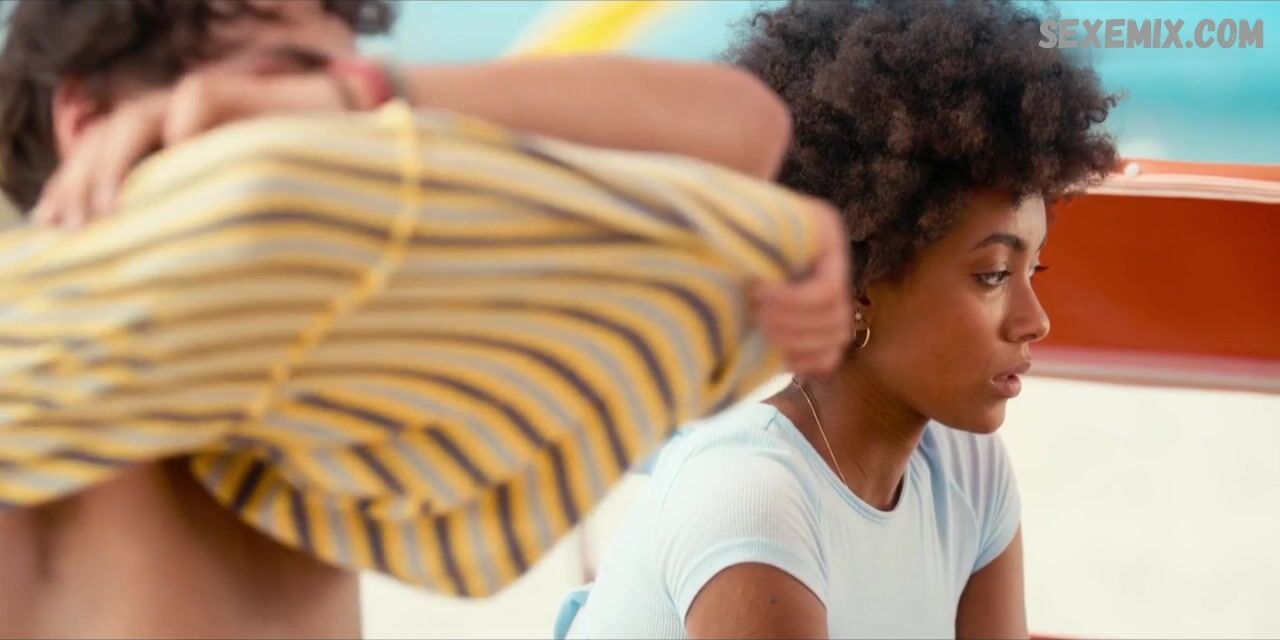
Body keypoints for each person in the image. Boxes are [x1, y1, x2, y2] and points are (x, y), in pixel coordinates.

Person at [0, 1, 857, 637]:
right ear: (87, 120)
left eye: (331, 108)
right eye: (270, 81)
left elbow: (746, 129)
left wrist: (356, 95)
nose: (329, 140)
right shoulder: (29, 375)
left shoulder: (324, 356)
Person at [556, 1, 1120, 638]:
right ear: (856, 283)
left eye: (1033, 270)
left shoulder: (969, 472)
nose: (1035, 321)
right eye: (992, 274)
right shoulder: (754, 501)